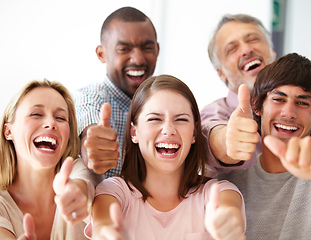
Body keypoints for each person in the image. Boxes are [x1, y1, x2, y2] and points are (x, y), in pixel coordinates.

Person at [218, 53, 311, 239]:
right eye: (278, 99)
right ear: (257, 105)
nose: (288, 113)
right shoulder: (230, 182)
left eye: (302, 102)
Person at [87, 75, 246, 240]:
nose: (168, 129)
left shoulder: (219, 193)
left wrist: (229, 225)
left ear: (194, 133)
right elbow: (103, 226)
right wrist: (108, 233)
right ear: (134, 132)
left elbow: (229, 212)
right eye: (155, 119)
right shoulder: (113, 191)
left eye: (182, 119)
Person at [201, 13, 311, 175]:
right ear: (221, 74)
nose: (246, 50)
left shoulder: (307, 116)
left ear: (272, 52)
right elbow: (211, 136)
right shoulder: (214, 113)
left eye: (253, 39)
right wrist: (227, 141)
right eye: (232, 48)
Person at [0, 79, 99, 239]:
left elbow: (82, 187)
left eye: (60, 118)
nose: (51, 123)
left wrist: (75, 195)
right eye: (36, 114)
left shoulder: (77, 169)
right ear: (8, 131)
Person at [74, 6, 160, 178]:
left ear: (157, 49)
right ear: (101, 54)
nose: (137, 59)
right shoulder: (91, 96)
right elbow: (89, 126)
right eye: (124, 49)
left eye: (147, 48)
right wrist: (92, 144)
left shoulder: (167, 101)